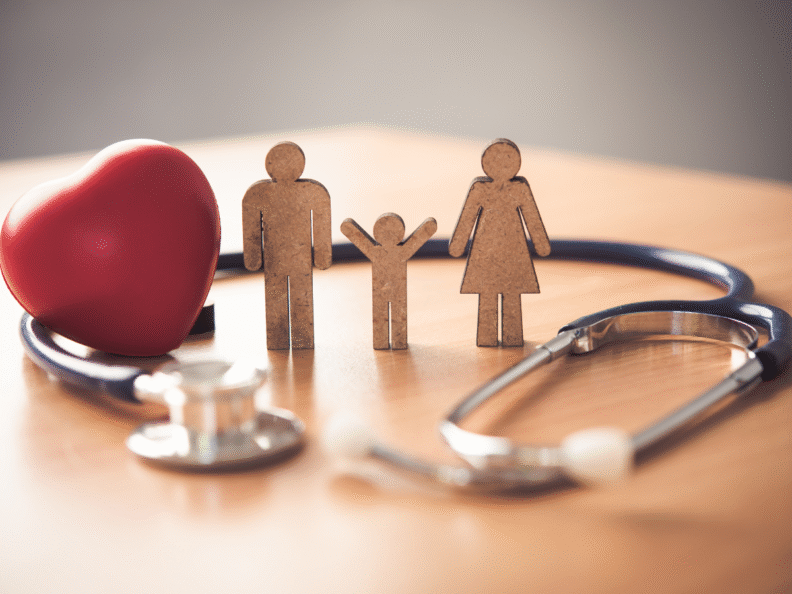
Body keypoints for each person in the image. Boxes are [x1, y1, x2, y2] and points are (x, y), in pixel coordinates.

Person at [448, 139, 550, 347]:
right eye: (496, 160)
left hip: (514, 250)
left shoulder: (519, 189)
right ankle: (487, 337)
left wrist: (541, 244)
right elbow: (467, 217)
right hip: (484, 251)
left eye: (507, 160)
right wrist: (458, 245)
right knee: (487, 293)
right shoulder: (479, 189)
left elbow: (532, 217)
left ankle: (512, 337)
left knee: (512, 294)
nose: (502, 166)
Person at [242, 142, 331, 349]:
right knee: (277, 300)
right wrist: (253, 257)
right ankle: (280, 338)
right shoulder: (258, 194)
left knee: (300, 299)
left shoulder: (313, 192)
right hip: (276, 261)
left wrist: (322, 255)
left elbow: (321, 223)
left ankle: (298, 339)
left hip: (299, 260)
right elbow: (251, 227)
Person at [341, 213, 437, 349]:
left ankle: (393, 342)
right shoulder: (389, 252)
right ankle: (389, 342)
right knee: (387, 315)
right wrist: (429, 227)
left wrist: (348, 228)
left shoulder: (388, 252)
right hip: (384, 291)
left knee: (395, 315)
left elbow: (355, 235)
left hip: (392, 291)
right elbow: (421, 235)